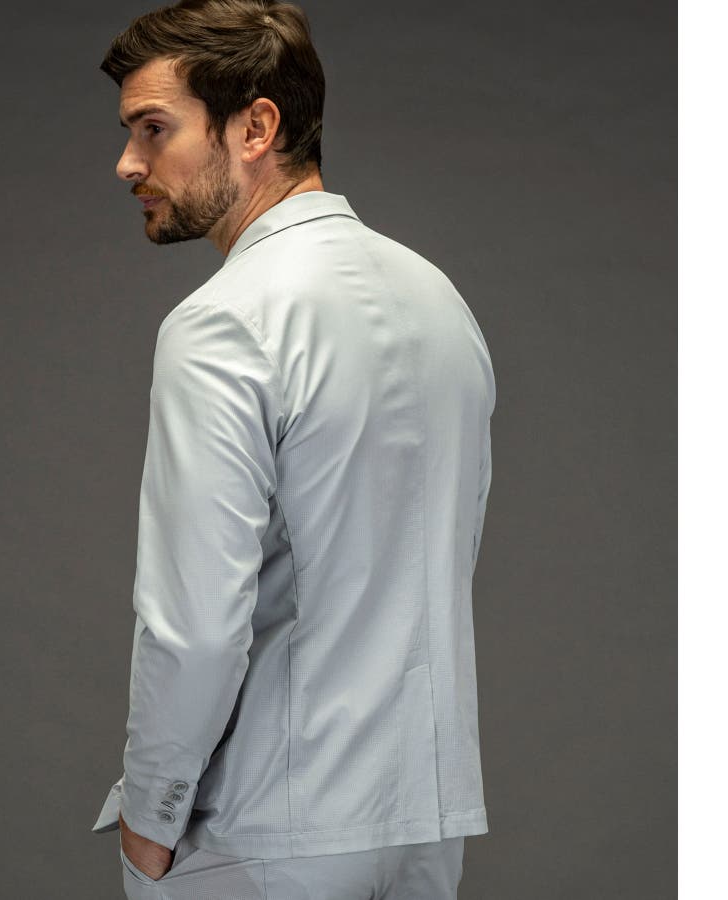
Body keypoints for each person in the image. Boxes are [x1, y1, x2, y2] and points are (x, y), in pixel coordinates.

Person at [90, 2, 496, 897]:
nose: (128, 163)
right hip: (424, 825)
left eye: (154, 129)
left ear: (256, 127)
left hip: (268, 832)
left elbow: (195, 624)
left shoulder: (220, 324)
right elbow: (442, 557)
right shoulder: (439, 300)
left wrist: (150, 815)